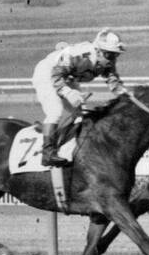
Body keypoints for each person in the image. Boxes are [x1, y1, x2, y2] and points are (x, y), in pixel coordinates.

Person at [32, 29, 127, 167]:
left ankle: (62, 142)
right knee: (55, 111)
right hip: (48, 73)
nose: (112, 60)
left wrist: (126, 95)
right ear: (98, 50)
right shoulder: (80, 55)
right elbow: (56, 76)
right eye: (109, 55)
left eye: (115, 55)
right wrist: (68, 92)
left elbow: (113, 81)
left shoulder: (106, 60)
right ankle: (47, 153)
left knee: (79, 115)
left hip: (67, 76)